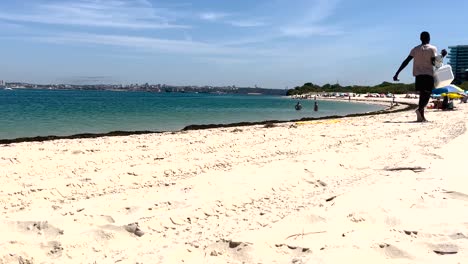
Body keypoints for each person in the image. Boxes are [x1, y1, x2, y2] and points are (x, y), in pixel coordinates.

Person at [393, 31, 447, 122]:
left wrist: (397, 73)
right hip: (428, 74)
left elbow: (406, 61)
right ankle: (420, 109)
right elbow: (435, 63)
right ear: (429, 38)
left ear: (420, 39)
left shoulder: (415, 49)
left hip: (418, 75)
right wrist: (442, 55)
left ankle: (421, 116)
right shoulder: (432, 48)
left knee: (422, 95)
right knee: (427, 94)